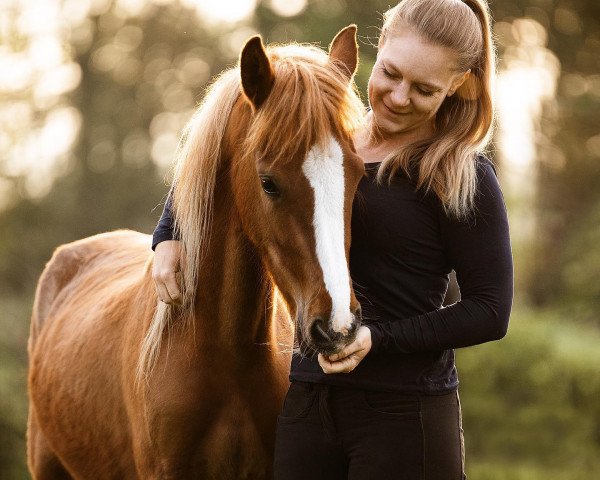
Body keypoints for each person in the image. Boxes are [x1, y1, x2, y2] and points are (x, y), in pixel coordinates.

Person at [151, 0, 513, 478]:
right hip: (306, 406)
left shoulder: (460, 173)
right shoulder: (327, 140)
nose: (399, 97)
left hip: (405, 416)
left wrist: (377, 339)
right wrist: (170, 232)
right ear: (377, 48)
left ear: (459, 85)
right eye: (391, 73)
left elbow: (490, 310)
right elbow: (237, 156)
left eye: (424, 89)